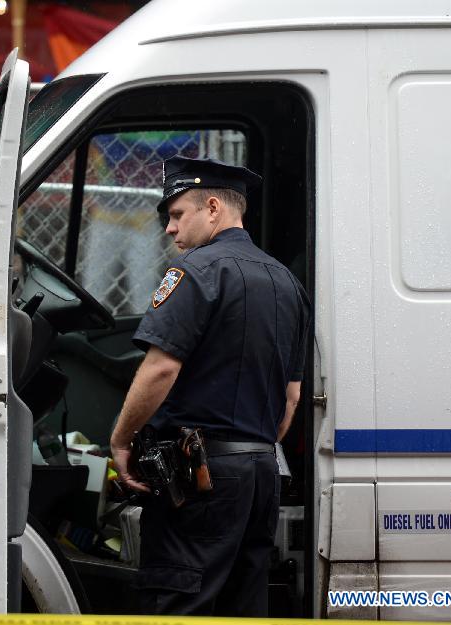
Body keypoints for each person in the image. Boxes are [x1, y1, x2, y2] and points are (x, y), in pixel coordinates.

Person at [109, 157, 311, 617]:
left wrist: (121, 440)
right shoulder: (287, 282)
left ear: (214, 207)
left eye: (177, 215)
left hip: (202, 478)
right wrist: (249, 448)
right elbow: (291, 398)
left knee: (182, 598)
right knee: (244, 602)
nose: (169, 230)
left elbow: (161, 369)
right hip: (261, 472)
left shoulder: (195, 272)